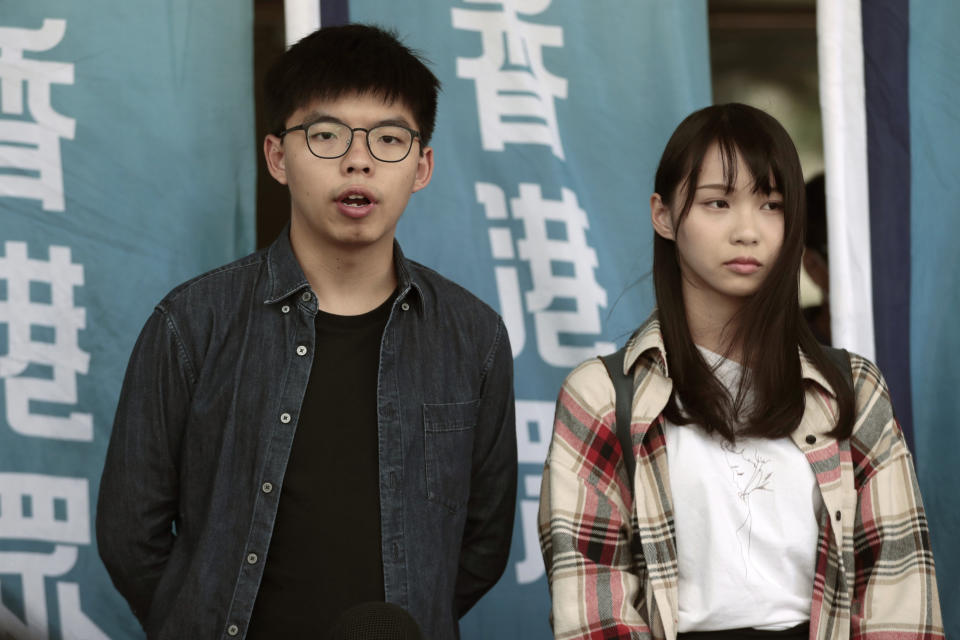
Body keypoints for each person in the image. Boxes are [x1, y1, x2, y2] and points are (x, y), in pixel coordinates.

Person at [97, 24, 517, 640]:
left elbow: (481, 543)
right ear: (277, 157)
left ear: (422, 166)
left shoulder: (472, 337)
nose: (358, 159)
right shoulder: (192, 322)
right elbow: (129, 532)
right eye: (325, 135)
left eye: (390, 138)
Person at [537, 104, 942, 639]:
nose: (747, 230)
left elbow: (898, 587)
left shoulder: (852, 390)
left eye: (771, 204)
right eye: (718, 203)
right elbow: (590, 604)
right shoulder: (604, 396)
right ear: (663, 214)